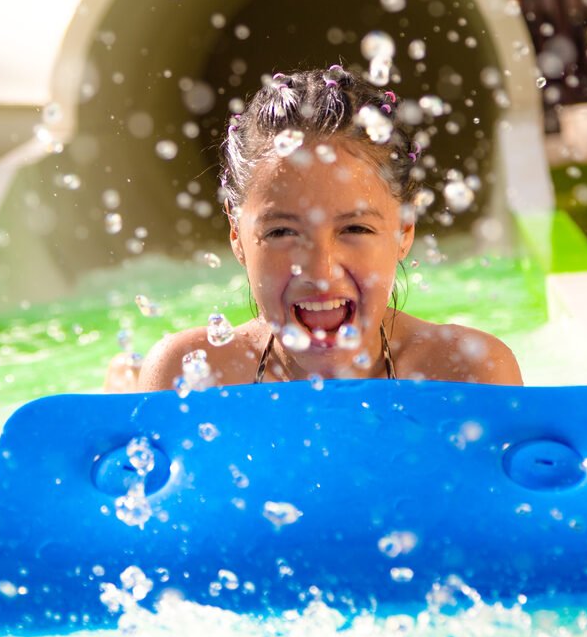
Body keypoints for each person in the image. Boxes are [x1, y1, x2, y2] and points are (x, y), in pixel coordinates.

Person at [106, 64, 522, 392]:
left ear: (405, 230)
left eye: (355, 229)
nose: (321, 273)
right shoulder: (190, 378)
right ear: (237, 234)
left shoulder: (469, 374)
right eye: (282, 233)